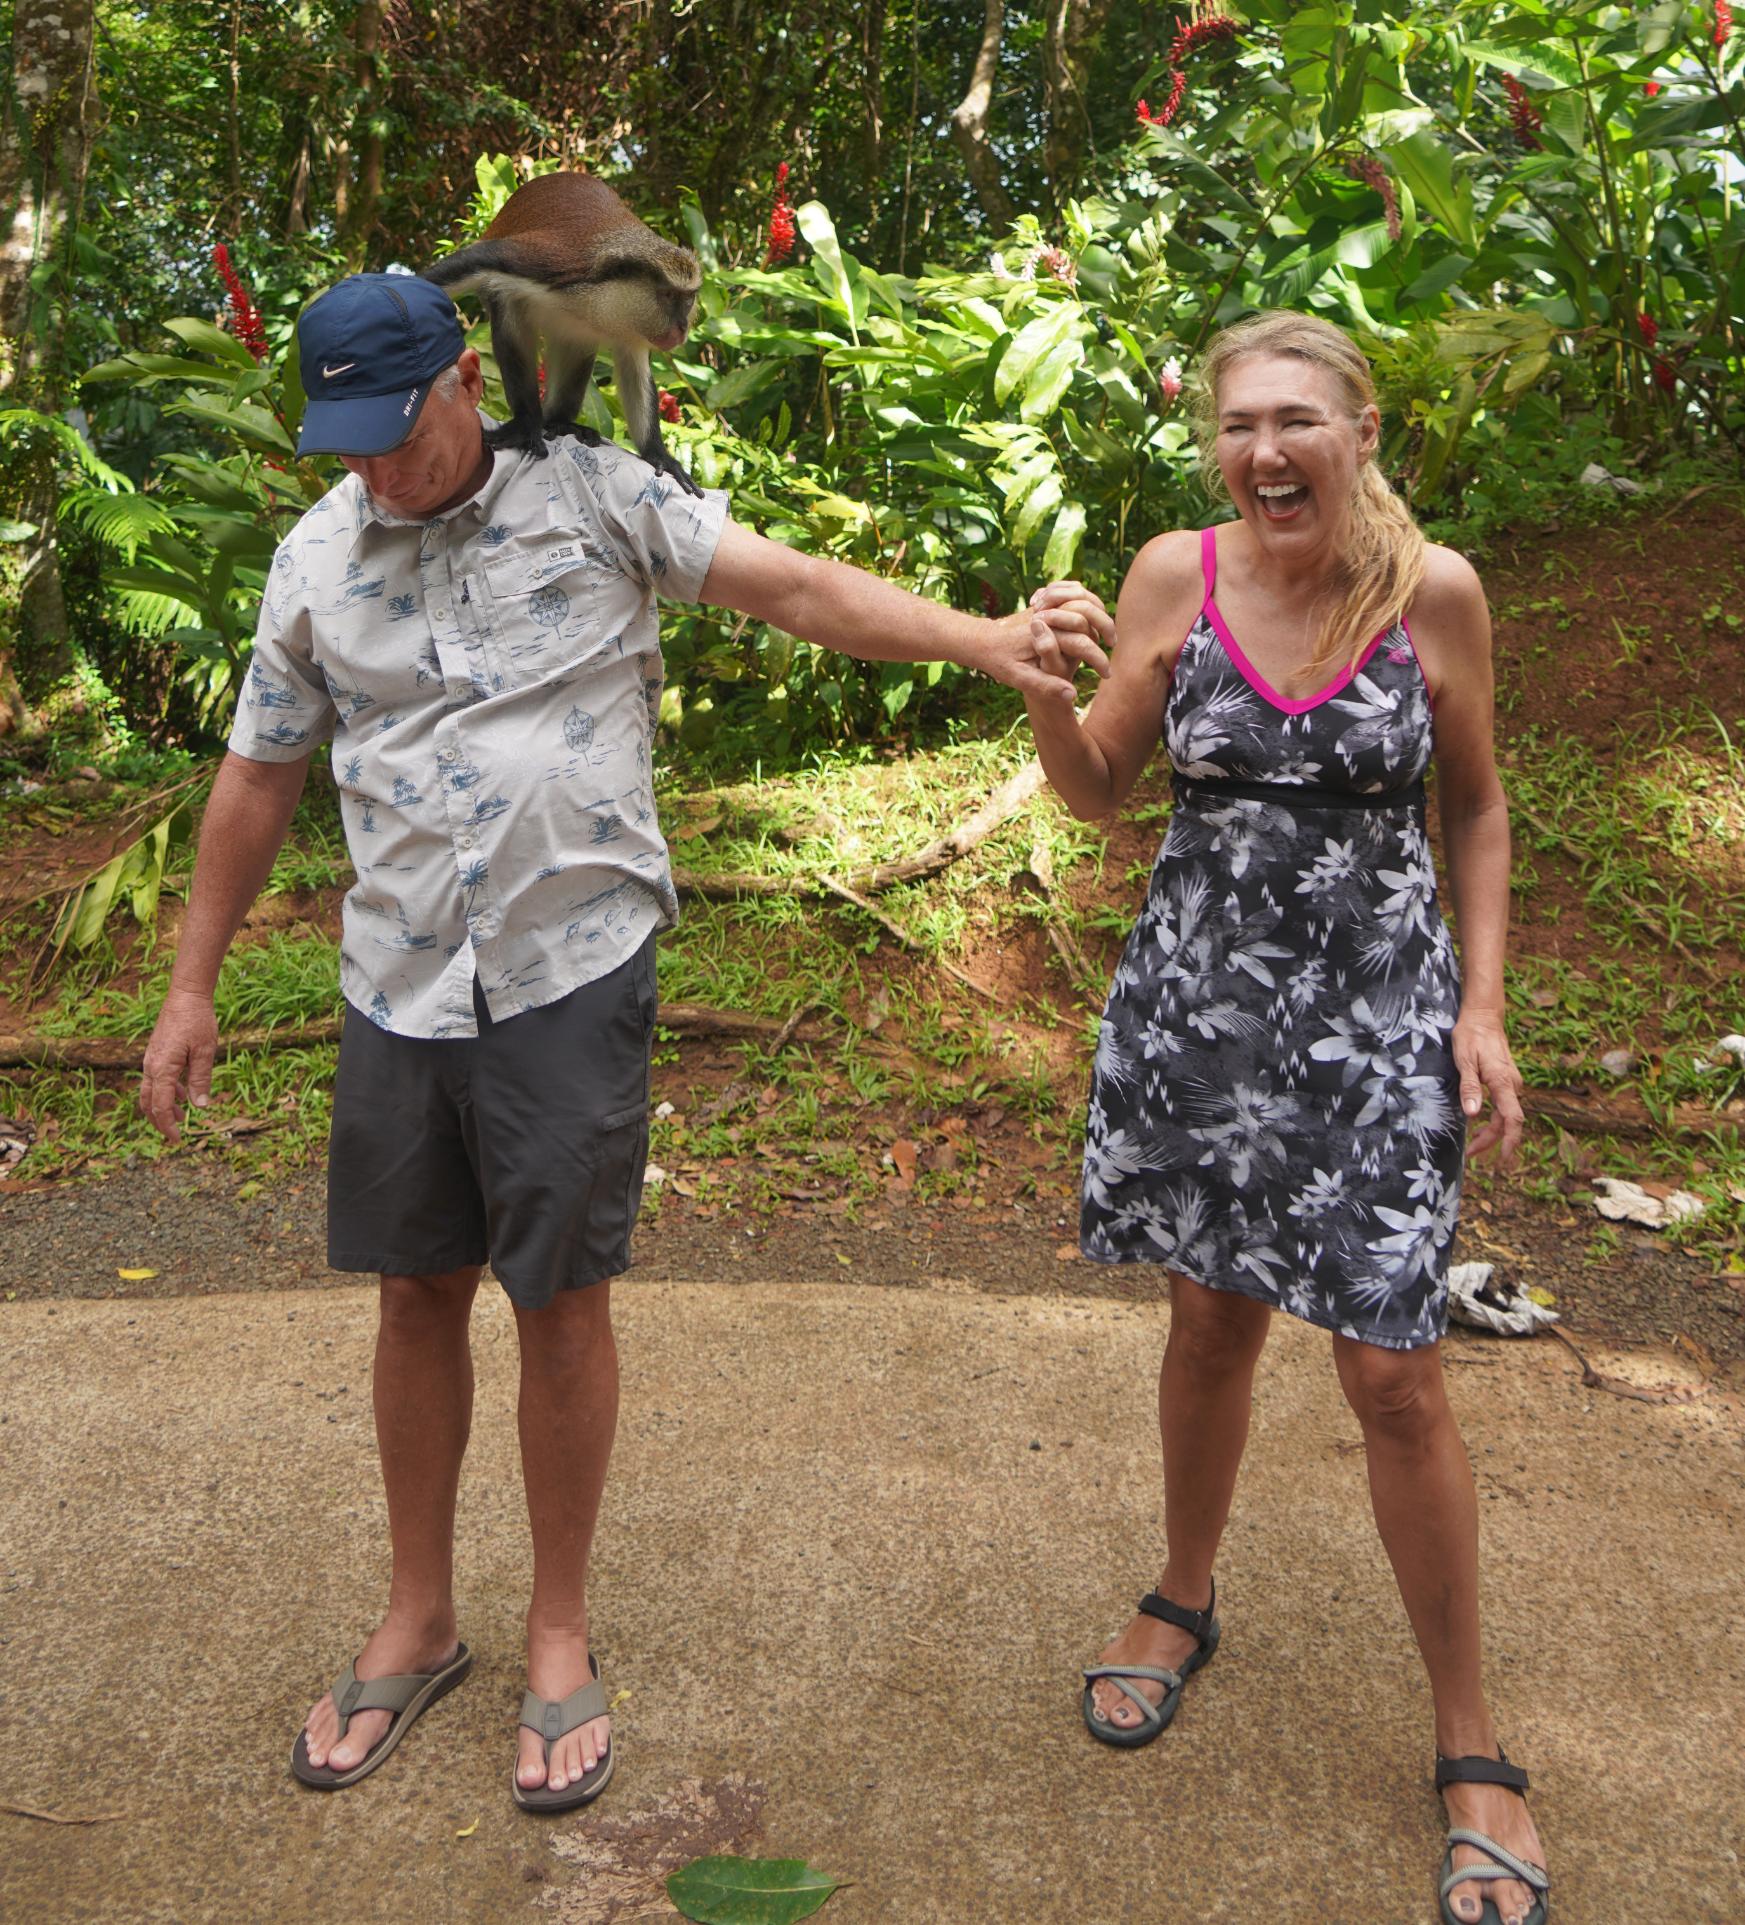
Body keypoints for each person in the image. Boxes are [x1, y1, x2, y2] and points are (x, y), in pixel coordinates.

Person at [139, 273, 1111, 1812]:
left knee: (562, 1299)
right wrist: (191, 986)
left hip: (566, 970)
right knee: (412, 1294)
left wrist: (983, 640)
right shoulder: (316, 555)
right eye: (345, 443)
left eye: (392, 434)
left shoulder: (595, 494)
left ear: (469, 377)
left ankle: (555, 1626)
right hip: (396, 980)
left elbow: (792, 588)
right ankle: (419, 1614)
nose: (372, 470)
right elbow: (258, 775)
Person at [1019, 310, 1545, 1925]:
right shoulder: (1173, 576)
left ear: (1361, 430)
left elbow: (1472, 802)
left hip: (1379, 1020)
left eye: (1297, 419)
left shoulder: (1429, 592)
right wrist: (1048, 687)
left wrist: (1480, 1006)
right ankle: (1180, 1594)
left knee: (1392, 1374)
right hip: (1202, 1018)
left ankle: (1468, 1740)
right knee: (1206, 1325)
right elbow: (1101, 785)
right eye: (1239, 423)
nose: (1266, 450)